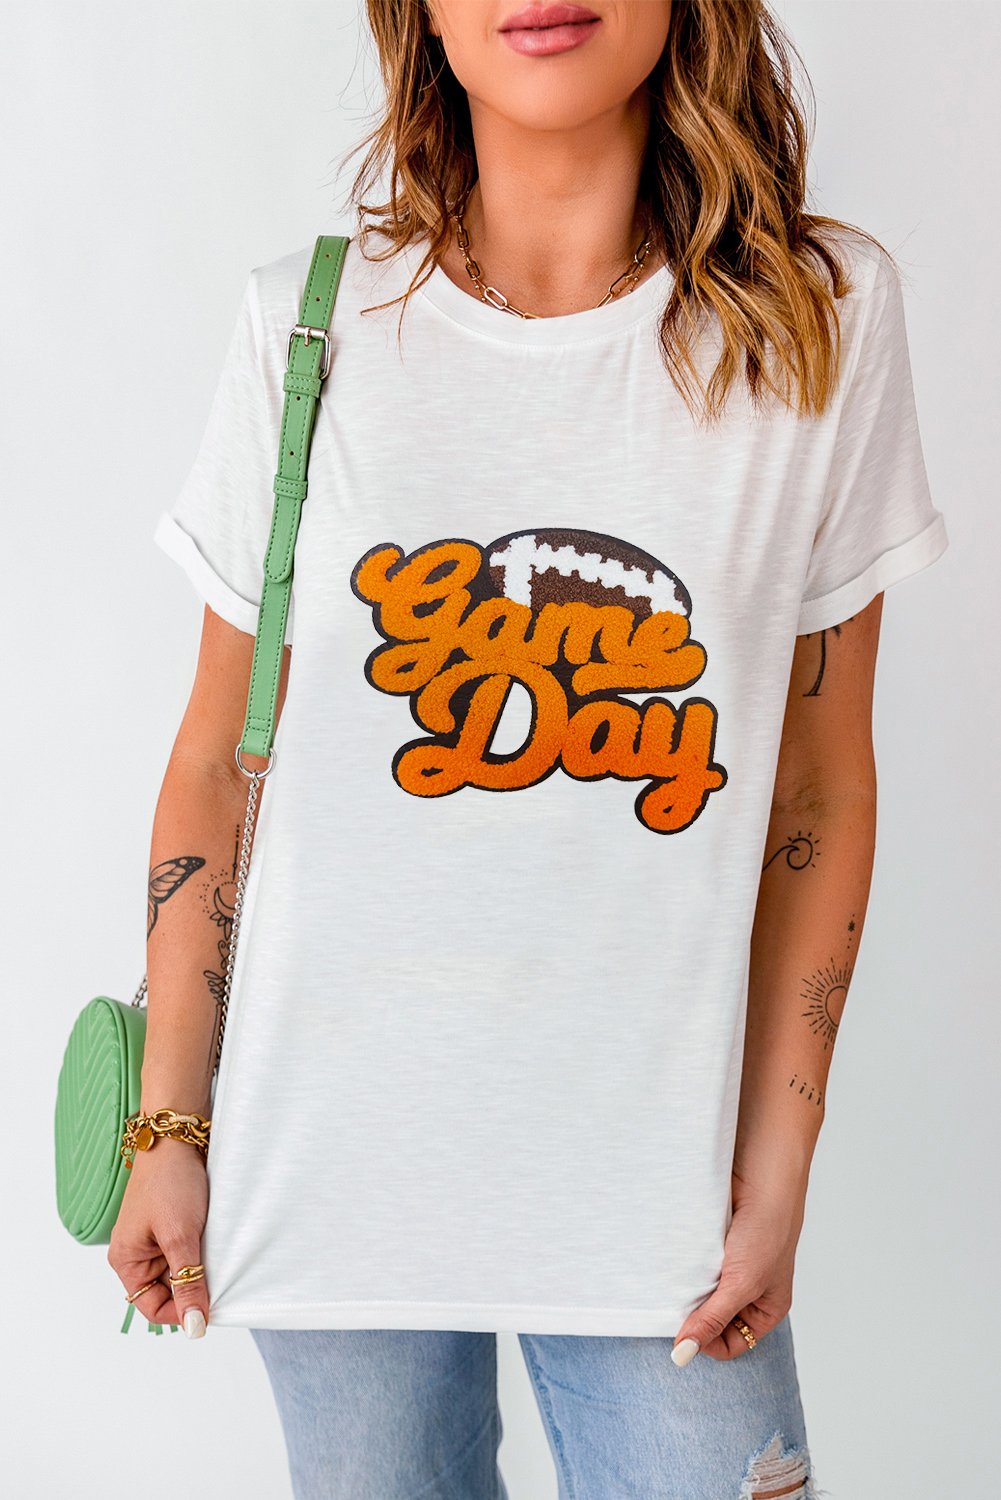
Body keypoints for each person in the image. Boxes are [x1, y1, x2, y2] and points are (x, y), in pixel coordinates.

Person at [108, 1, 949, 1496]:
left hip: (661, 1202)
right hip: (329, 1177)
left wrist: (777, 1169)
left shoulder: (814, 319)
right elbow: (217, 764)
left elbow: (818, 785)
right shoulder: (309, 325)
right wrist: (165, 1124)